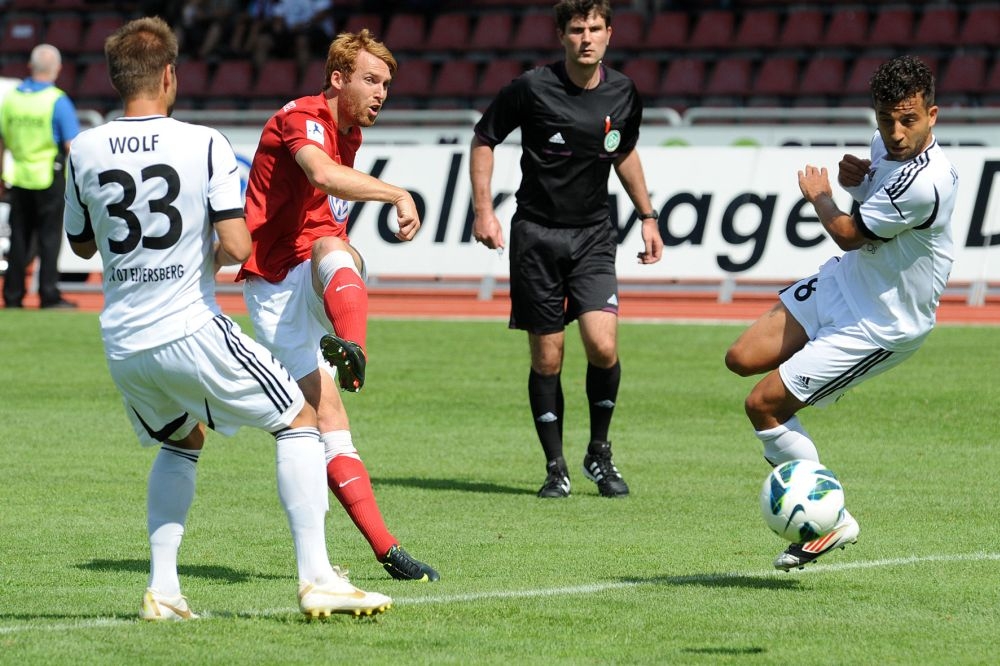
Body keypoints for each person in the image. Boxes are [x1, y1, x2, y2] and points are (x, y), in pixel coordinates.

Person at [62, 16, 391, 619]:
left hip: (122, 342)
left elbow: (82, 245)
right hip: (187, 324)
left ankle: (164, 591)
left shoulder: (83, 149)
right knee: (301, 419)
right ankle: (319, 577)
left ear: (115, 78)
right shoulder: (203, 142)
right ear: (169, 75)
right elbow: (239, 247)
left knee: (184, 440)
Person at [724, 55, 958, 570]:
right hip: (843, 284)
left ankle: (832, 519)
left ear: (932, 115)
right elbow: (870, 203)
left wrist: (823, 196)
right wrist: (859, 184)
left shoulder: (929, 181)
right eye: (886, 120)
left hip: (880, 323)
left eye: (908, 120)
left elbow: (850, 234)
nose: (895, 133)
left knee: (763, 404)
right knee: (741, 358)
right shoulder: (882, 145)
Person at [238, 29, 440, 581]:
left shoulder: (349, 132)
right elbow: (321, 175)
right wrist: (398, 193)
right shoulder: (300, 116)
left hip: (314, 270)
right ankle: (386, 549)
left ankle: (353, 349)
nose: (381, 93)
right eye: (371, 80)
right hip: (272, 287)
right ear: (337, 78)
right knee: (325, 420)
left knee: (333, 247)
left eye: (387, 84)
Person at [469, 0, 664, 499]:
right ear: (561, 35)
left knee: (603, 345)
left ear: (610, 33)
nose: (586, 38)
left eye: (595, 28)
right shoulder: (531, 88)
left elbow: (622, 150)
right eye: (577, 29)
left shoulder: (623, 92)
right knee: (548, 359)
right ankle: (555, 467)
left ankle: (599, 453)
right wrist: (483, 210)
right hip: (536, 236)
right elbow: (484, 138)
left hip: (594, 235)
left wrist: (648, 216)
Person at [0, 43, 80, 309]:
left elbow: (2, 140)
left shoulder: (11, 98)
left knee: (19, 237)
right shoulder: (57, 100)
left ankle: (12, 295)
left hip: (18, 176)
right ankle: (48, 294)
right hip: (48, 176)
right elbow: (71, 145)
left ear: (30, 66)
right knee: (49, 238)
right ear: (57, 69)